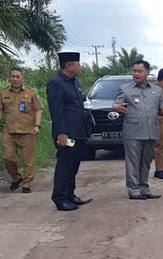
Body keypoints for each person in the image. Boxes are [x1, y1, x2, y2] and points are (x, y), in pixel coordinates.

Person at [113, 60, 163, 199]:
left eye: (139, 71)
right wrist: (116, 107)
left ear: (147, 72)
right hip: (133, 132)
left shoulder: (156, 90)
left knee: (146, 162)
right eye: (134, 71)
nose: (136, 74)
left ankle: (144, 187)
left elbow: (162, 102)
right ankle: (133, 189)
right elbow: (116, 103)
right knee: (133, 161)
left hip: (151, 131)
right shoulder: (125, 89)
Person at [46, 52, 93, 211]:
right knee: (65, 164)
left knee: (73, 165)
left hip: (79, 133)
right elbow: (56, 111)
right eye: (78, 64)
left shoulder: (74, 83)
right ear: (69, 66)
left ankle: (70, 194)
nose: (80, 67)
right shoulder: (56, 83)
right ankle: (59, 198)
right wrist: (61, 134)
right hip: (66, 134)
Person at [0, 67, 42, 193]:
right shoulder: (3, 93)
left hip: (28, 132)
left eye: (17, 76)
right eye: (12, 76)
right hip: (9, 132)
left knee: (28, 160)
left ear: (23, 78)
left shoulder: (31, 93)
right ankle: (16, 178)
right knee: (8, 157)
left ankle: (27, 184)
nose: (15, 79)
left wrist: (37, 125)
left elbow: (38, 109)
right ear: (9, 77)